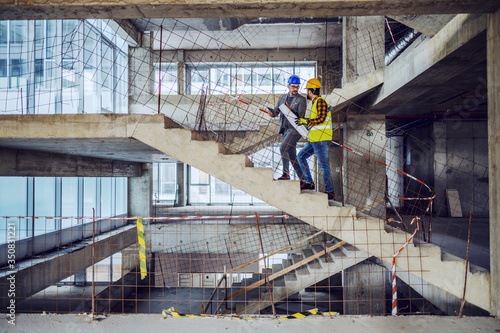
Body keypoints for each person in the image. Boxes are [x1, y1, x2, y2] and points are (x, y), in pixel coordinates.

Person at [295, 78, 336, 200]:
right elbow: (315, 122)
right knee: (301, 156)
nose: (307, 92)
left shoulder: (320, 102)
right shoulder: (314, 103)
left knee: (323, 165)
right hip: (314, 139)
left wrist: (306, 121)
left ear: (312, 90)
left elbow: (321, 119)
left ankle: (330, 191)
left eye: (308, 90)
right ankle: (309, 182)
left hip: (321, 140)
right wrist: (305, 124)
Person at [268, 75, 307, 181]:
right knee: (292, 155)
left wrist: (290, 110)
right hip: (285, 129)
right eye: (293, 86)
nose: (295, 89)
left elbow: (301, 116)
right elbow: (277, 111)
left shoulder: (301, 100)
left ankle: (286, 174)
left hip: (295, 129)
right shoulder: (282, 98)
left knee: (282, 148)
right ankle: (303, 179)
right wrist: (272, 113)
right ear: (288, 86)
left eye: (297, 87)